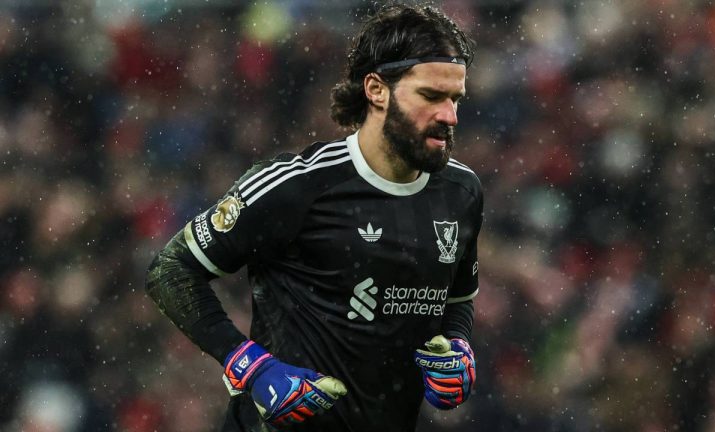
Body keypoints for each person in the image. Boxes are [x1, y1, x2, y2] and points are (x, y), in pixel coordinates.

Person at [145, 4, 481, 431]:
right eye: (431, 96)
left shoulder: (461, 192)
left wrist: (458, 347)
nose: (450, 115)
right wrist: (251, 366)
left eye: (455, 99)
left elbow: (458, 298)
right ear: (376, 90)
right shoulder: (298, 185)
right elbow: (171, 270)